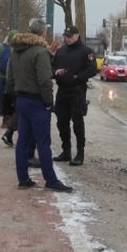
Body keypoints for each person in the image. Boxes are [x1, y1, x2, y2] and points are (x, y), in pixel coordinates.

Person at [8, 18, 72, 192]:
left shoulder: (16, 50)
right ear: (43, 33)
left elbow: (11, 77)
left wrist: (17, 94)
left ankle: (23, 178)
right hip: (37, 102)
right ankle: (50, 180)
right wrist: (48, 102)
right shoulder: (39, 51)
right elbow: (44, 80)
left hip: (22, 100)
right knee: (43, 143)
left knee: (22, 141)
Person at [51, 26, 98, 166]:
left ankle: (80, 154)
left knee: (77, 123)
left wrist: (77, 77)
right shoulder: (61, 51)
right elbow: (52, 66)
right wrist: (55, 73)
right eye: (66, 36)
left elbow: (92, 69)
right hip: (62, 90)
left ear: (77, 35)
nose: (68, 38)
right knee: (61, 122)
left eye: (70, 36)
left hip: (77, 90)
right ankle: (66, 151)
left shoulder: (85, 51)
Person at [1, 56, 41, 168]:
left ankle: (9, 133)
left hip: (14, 87)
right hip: (20, 89)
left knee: (19, 111)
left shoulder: (16, 53)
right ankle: (28, 155)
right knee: (22, 114)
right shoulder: (25, 54)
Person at [0, 30, 18, 128]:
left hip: (0, 76)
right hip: (11, 78)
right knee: (8, 99)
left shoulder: (1, 47)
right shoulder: (17, 49)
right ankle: (5, 121)